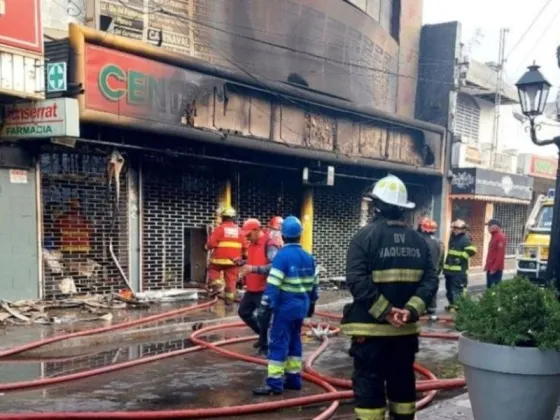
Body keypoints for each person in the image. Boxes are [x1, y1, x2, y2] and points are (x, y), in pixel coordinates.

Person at [341, 174, 438, 420]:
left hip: (370, 334)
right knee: (403, 384)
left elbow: (357, 281)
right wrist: (411, 311)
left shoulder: (364, 238)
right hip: (405, 334)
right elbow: (430, 281)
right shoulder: (420, 242)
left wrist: (386, 311)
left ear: (378, 207)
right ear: (403, 210)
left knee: (369, 387)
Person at [252, 215, 319, 396]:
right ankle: (294, 379)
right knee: (295, 341)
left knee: (279, 342)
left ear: (283, 235)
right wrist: (311, 305)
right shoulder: (309, 257)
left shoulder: (282, 257)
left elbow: (273, 284)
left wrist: (265, 306)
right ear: (300, 235)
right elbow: (314, 286)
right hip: (301, 308)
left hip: (285, 308)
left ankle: (274, 383)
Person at [238, 218, 281, 354]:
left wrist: (254, 269)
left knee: (264, 318)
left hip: (265, 289)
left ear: (257, 230)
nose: (247, 237)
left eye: (249, 234)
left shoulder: (269, 244)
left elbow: (275, 265)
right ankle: (263, 337)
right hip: (252, 288)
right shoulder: (252, 244)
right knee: (243, 312)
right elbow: (254, 261)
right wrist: (242, 262)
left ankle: (265, 347)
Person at [205, 207, 245, 304]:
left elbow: (211, 243)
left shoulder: (219, 229)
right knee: (231, 281)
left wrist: (206, 247)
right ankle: (229, 300)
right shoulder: (240, 231)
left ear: (223, 217)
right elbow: (245, 246)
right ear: (233, 218)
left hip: (218, 259)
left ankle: (217, 285)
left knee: (213, 270)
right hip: (234, 261)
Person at [443, 219, 477, 312]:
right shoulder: (454, 238)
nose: (455, 230)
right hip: (449, 271)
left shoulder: (465, 238)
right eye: (454, 228)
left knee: (457, 290)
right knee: (449, 289)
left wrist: (461, 258)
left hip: (459, 272)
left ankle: (458, 307)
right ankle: (452, 304)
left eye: (457, 228)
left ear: (463, 229)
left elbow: (472, 250)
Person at [417, 217, 444, 315]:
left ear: (423, 228)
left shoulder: (418, 240)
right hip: (434, 270)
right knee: (432, 287)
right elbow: (441, 259)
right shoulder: (439, 242)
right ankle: (432, 309)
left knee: (421, 289)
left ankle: (421, 308)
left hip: (422, 270)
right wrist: (438, 271)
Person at [484, 218, 506, 288]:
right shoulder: (494, 236)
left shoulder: (500, 237)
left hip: (495, 269)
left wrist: (494, 268)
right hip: (490, 267)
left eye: (490, 225)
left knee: (493, 291)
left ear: (496, 226)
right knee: (490, 289)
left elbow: (500, 255)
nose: (488, 228)